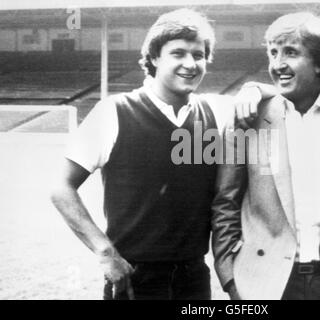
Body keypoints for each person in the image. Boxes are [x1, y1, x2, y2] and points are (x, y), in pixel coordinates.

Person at [51, 8, 267, 300]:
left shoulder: (216, 111)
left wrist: (255, 89)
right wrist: (105, 252)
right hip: (133, 274)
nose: (190, 64)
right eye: (178, 53)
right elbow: (61, 188)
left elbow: (281, 97)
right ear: (153, 57)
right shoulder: (114, 111)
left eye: (199, 55)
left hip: (194, 275)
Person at [212, 11, 320, 300]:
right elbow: (225, 204)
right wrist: (231, 279)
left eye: (290, 53)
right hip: (263, 285)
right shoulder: (248, 118)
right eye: (273, 53)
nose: (277, 64)